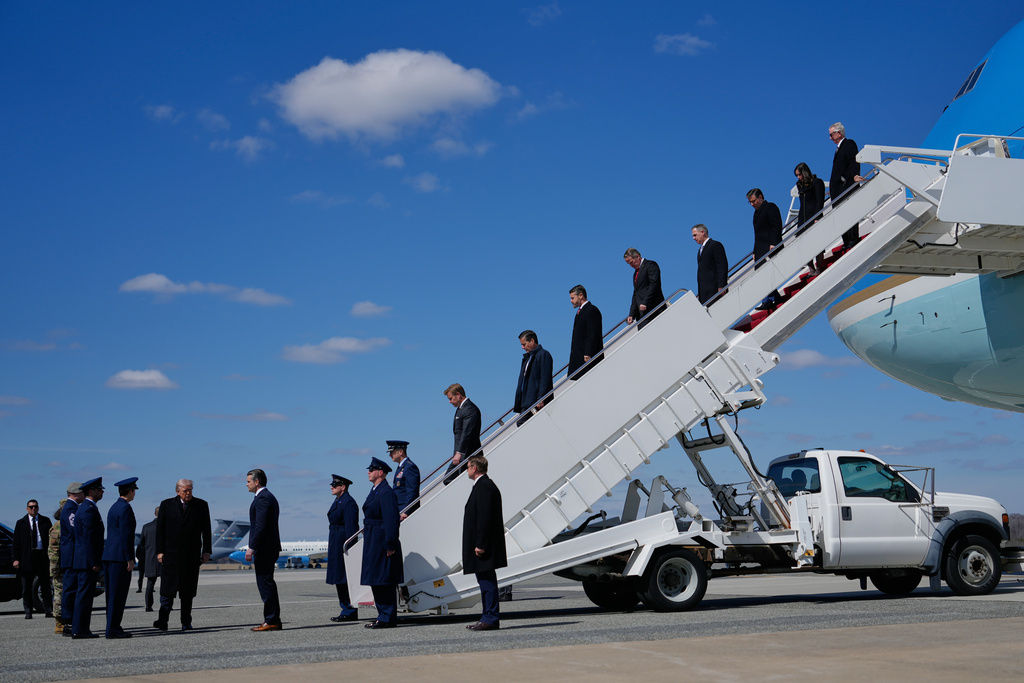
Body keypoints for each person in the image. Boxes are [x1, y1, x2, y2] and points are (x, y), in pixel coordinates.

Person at [154, 479, 212, 631]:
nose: (188, 493)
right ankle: (162, 620)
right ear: (178, 490)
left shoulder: (201, 505)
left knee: (187, 592)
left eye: (190, 490)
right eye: (185, 490)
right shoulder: (166, 505)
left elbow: (206, 529)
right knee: (167, 591)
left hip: (191, 556)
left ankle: (186, 622)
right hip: (171, 555)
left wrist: (206, 550)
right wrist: (159, 551)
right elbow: (160, 530)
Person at [462, 455, 508, 631]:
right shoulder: (482, 486)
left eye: (467, 467)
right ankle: (487, 616)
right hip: (482, 545)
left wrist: (480, 544)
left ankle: (490, 618)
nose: (466, 470)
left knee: (487, 582)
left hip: (484, 547)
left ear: (475, 468)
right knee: (484, 582)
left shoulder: (484, 487)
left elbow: (484, 518)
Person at [361, 457, 403, 629]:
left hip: (382, 540)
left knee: (384, 580)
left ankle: (387, 617)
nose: (369, 472)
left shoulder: (386, 492)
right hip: (373, 539)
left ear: (381, 472)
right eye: (369, 469)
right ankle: (382, 615)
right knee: (376, 579)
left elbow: (392, 520)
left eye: (372, 469)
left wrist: (390, 544)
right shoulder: (376, 490)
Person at [247, 468, 283, 631]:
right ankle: (271, 618)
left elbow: (260, 526)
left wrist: (252, 547)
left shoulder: (263, 499)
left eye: (248, 481)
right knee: (266, 582)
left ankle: (272, 619)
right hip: (268, 547)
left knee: (265, 583)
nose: (246, 485)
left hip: (265, 548)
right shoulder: (266, 497)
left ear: (257, 482)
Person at [102, 477, 138, 639]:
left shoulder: (114, 507)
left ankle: (113, 626)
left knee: (112, 594)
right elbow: (126, 535)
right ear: (130, 491)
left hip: (110, 555)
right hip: (119, 558)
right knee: (118, 594)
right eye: (134, 490)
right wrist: (129, 558)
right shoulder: (125, 508)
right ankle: (113, 629)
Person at [71, 477, 104, 639]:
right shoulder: (88, 509)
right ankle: (80, 629)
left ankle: (80, 628)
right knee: (84, 595)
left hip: (83, 560)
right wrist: (94, 562)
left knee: (83, 595)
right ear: (91, 491)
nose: (102, 492)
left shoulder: (86, 508)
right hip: (86, 561)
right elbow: (89, 538)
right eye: (99, 489)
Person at [326, 473, 359, 622]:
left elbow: (352, 528)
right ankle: (345, 607)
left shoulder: (348, 502)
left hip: (342, 542)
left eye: (335, 485)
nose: (332, 487)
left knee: (343, 577)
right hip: (335, 540)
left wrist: (349, 548)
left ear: (343, 487)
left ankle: (349, 610)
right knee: (339, 577)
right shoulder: (339, 501)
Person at [13, 498, 53, 619]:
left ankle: (48, 610)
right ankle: (28, 611)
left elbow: (51, 540)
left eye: (35, 506)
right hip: (27, 558)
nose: (33, 509)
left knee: (45, 585)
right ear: (27, 509)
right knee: (27, 586)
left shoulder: (45, 521)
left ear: (38, 508)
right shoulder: (21, 523)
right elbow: (16, 543)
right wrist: (15, 559)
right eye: (31, 507)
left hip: (42, 556)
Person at [828, 122, 865, 250]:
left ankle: (852, 239)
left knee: (849, 213)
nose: (830, 138)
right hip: (837, 190)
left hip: (846, 186)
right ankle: (846, 241)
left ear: (839, 133)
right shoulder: (838, 148)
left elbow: (854, 161)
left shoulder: (849, 144)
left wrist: (855, 175)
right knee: (840, 216)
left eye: (831, 134)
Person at [747, 188, 784, 309]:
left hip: (770, 246)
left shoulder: (770, 207)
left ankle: (768, 300)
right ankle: (771, 298)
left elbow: (776, 225)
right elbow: (757, 234)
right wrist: (754, 250)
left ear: (760, 197)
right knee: (762, 274)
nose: (752, 204)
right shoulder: (756, 213)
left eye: (753, 201)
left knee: (767, 274)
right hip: (760, 248)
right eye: (750, 202)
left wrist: (774, 243)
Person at [58, 482, 83, 637]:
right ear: (76, 494)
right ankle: (68, 622)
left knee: (71, 588)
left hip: (72, 555)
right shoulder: (70, 509)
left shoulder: (71, 508)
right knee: (70, 589)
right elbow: (75, 531)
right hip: (72, 556)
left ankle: (71, 621)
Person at [514, 330, 554, 425]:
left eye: (524, 344)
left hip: (535, 401)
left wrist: (541, 398)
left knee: (521, 423)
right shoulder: (527, 358)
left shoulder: (543, 355)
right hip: (526, 401)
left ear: (532, 341)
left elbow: (545, 378)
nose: (522, 347)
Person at [444, 383, 482, 484]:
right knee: (448, 480)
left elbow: (467, 433)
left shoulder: (470, 409)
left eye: (451, 398)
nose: (450, 401)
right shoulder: (460, 410)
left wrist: (459, 452)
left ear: (458, 395)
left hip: (468, 454)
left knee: (452, 480)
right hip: (460, 454)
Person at [794, 162, 828, 274]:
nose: (799, 177)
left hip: (813, 215)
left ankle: (818, 267)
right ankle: (811, 268)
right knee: (804, 245)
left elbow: (819, 201)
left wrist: (817, 216)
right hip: (803, 218)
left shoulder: (817, 182)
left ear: (804, 172)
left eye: (800, 174)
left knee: (817, 243)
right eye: (797, 175)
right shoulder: (800, 185)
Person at [623, 248, 665, 329]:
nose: (631, 265)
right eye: (629, 264)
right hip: (642, 314)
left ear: (637, 257)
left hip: (653, 310)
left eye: (631, 262)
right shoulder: (635, 273)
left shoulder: (651, 265)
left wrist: (645, 301)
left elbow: (654, 284)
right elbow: (636, 293)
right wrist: (631, 314)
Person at [568, 284, 604, 379]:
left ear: (580, 295)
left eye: (572, 298)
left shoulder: (592, 310)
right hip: (578, 358)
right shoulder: (580, 312)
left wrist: (588, 352)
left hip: (586, 358)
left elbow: (592, 333)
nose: (571, 301)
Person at [692, 224, 729, 305]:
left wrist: (722, 286)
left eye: (695, 235)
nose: (693, 238)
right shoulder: (700, 250)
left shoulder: (715, 245)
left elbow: (722, 265)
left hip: (715, 289)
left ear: (702, 232)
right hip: (704, 292)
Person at [136, 507, 160, 612]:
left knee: (150, 584)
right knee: (166, 584)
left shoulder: (146, 527)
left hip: (150, 558)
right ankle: (166, 604)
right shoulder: (167, 526)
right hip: (164, 557)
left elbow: (142, 543)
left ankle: (148, 606)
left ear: (154, 513)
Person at [48, 498, 67, 634]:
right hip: (59, 568)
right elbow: (54, 551)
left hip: (64, 566)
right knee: (59, 595)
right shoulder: (58, 526)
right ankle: (59, 623)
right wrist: (55, 569)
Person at [388, 440, 420, 519]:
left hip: (405, 511)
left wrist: (406, 511)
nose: (390, 455)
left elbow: (412, 491)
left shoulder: (410, 467)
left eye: (392, 452)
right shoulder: (401, 467)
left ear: (401, 452)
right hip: (399, 509)